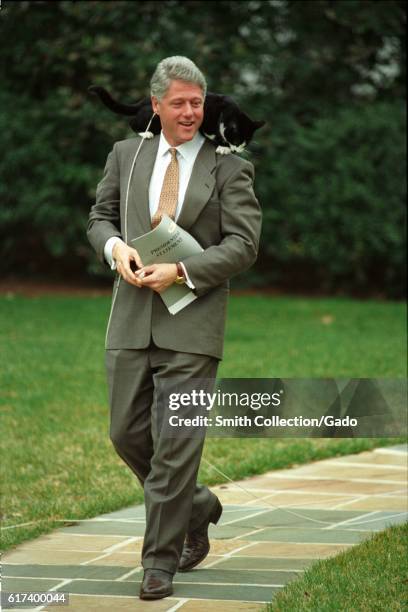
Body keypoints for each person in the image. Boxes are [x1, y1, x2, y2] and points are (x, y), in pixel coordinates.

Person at [87, 55, 262, 601]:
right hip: (130, 319)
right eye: (180, 102)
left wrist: (183, 269)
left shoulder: (229, 165)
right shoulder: (125, 155)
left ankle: (159, 562)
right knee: (126, 434)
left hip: (195, 322)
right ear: (157, 103)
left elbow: (243, 244)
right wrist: (115, 249)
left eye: (197, 102)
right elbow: (100, 218)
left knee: (175, 446)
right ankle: (199, 506)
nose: (190, 112)